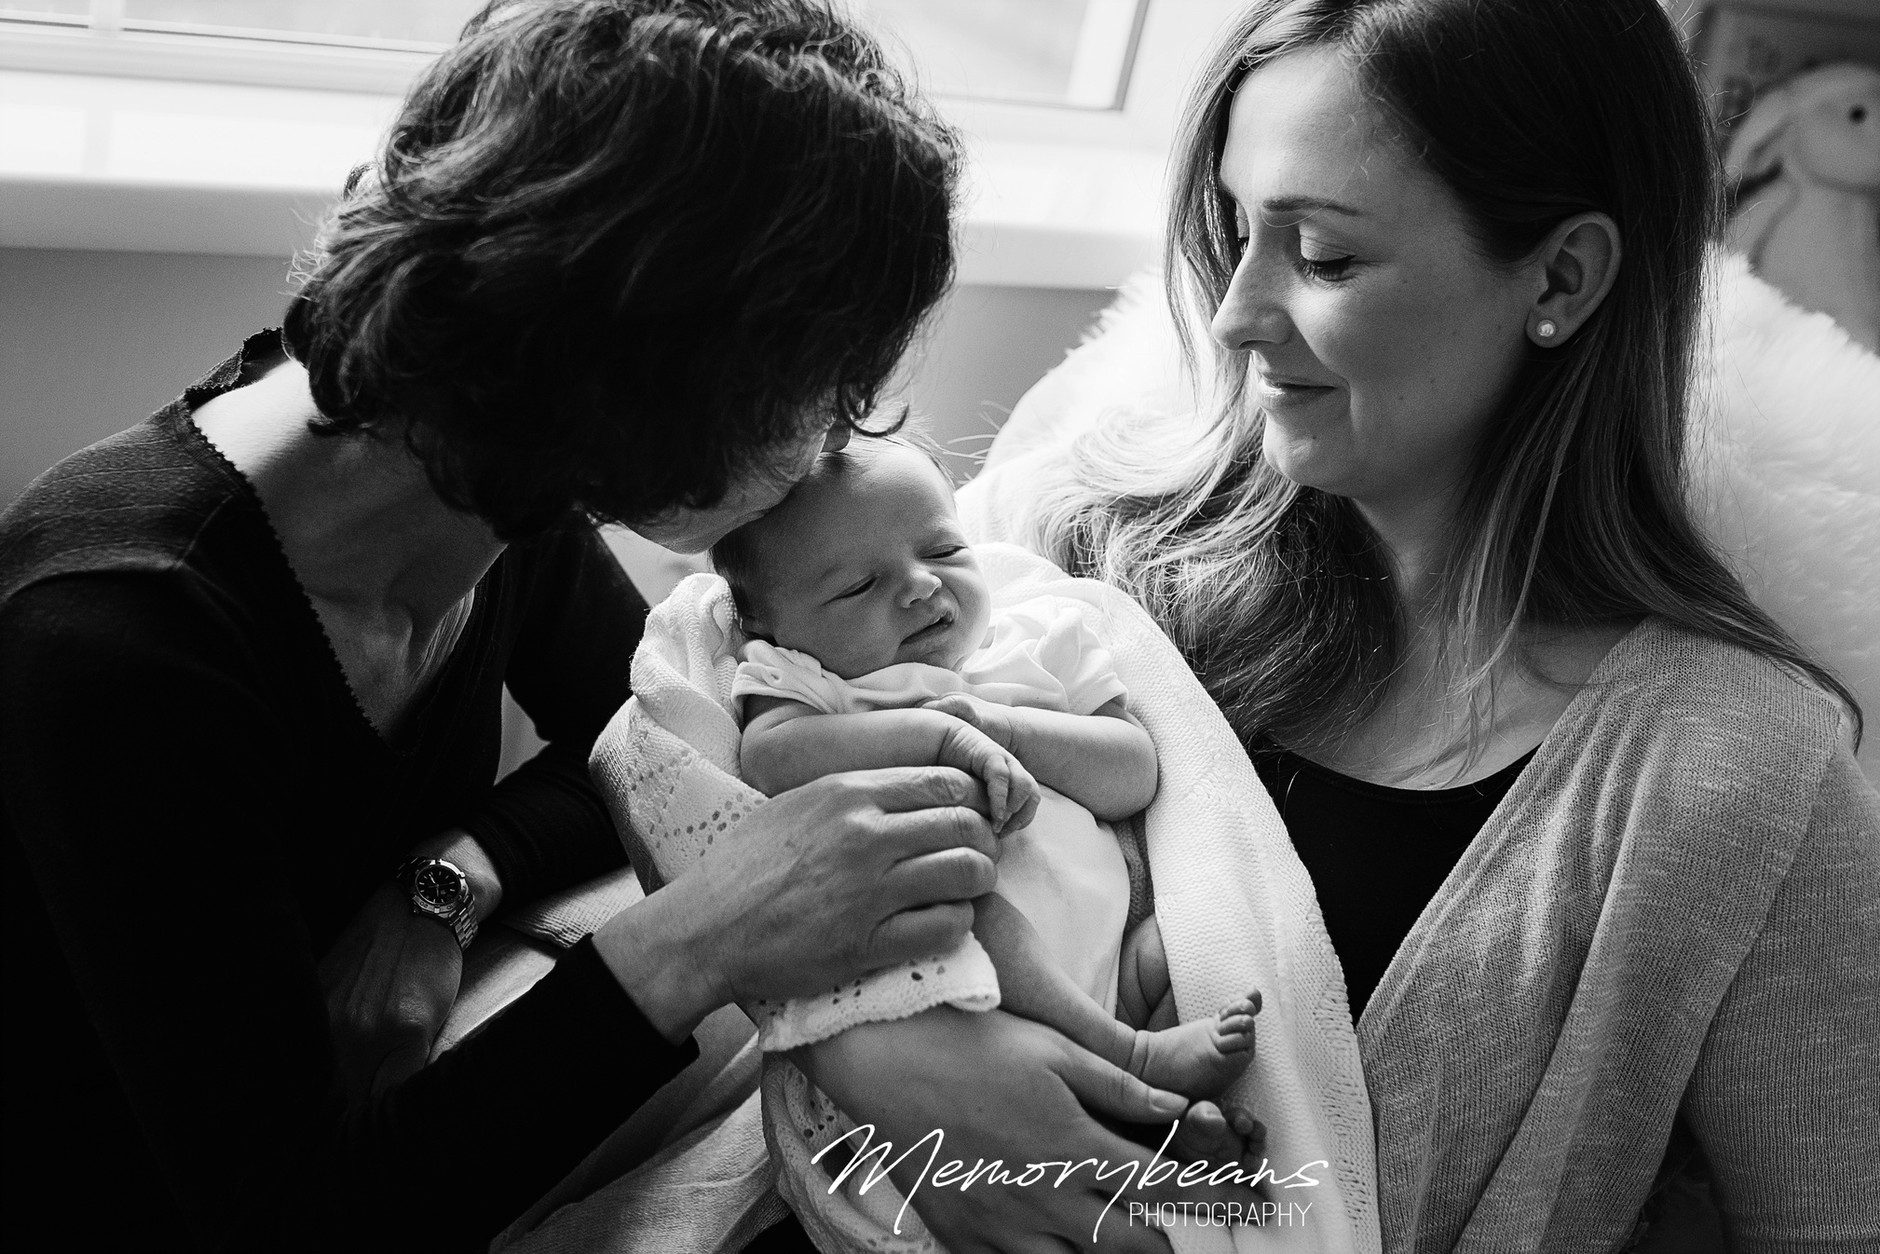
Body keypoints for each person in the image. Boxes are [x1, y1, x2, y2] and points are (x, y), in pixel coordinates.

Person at [0, 3, 1217, 1250]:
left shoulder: (490, 464)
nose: (827, 448)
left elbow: (621, 745)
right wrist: (710, 934)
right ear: (657, 391)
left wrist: (444, 885)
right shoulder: (118, 648)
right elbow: (295, 1218)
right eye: (814, 395)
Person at [945, 0, 1877, 1248]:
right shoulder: (1075, 571)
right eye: (1232, 232)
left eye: (1323, 257)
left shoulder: (1736, 781)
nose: (1233, 315)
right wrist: (890, 1067)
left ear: (1558, 278)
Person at [713, 436, 1262, 1122]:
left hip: (1116, 951)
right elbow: (771, 754)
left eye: (942, 551)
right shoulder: (814, 683)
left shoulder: (1041, 637)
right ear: (770, 627)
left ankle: (1157, 1119)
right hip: (969, 984)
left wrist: (1005, 728)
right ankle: (1127, 1061)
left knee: (1195, 939)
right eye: (859, 586)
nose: (920, 584)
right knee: (969, 907)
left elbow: (1132, 772)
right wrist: (937, 735)